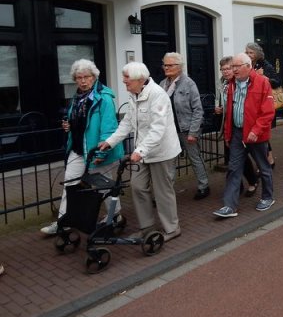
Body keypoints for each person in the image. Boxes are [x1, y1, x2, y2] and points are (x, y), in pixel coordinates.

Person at [98, 62, 182, 242]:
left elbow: (157, 129)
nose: (123, 81)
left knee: (162, 192)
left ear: (139, 79)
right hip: (143, 152)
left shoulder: (157, 95)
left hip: (161, 152)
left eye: (127, 78)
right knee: (137, 187)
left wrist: (140, 151)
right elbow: (127, 122)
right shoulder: (133, 95)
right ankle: (147, 228)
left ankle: (172, 228)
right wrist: (110, 142)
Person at [41, 59, 124, 235]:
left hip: (97, 151)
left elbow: (109, 128)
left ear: (94, 77)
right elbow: (79, 123)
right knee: (70, 184)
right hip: (78, 150)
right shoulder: (76, 98)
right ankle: (64, 221)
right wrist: (69, 126)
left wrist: (103, 152)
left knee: (105, 186)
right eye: (79, 78)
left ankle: (115, 215)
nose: (83, 81)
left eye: (87, 77)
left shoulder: (104, 98)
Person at [213, 53, 275, 218]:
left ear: (248, 66)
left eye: (236, 66)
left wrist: (256, 130)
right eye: (232, 66)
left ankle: (268, 197)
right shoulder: (231, 84)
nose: (233, 70)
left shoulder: (262, 82)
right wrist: (228, 134)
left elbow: (268, 112)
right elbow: (229, 112)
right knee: (233, 169)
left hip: (256, 134)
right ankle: (229, 206)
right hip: (237, 133)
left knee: (263, 166)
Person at [159, 52, 210, 201]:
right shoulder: (163, 84)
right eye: (165, 65)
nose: (166, 68)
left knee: (194, 158)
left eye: (170, 65)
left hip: (187, 129)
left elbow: (198, 109)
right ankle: (167, 193)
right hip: (170, 130)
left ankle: (204, 185)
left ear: (179, 67)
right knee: (170, 161)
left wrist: (193, 132)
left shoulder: (189, 84)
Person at [215, 57, 260, 195]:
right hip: (227, 125)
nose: (226, 72)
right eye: (222, 69)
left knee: (242, 157)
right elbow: (219, 99)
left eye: (228, 68)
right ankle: (237, 186)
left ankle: (252, 181)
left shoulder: (240, 82)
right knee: (232, 158)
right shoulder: (222, 83)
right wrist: (218, 108)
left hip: (242, 125)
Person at [245, 42, 280, 167]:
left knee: (262, 133)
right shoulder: (247, 65)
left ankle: (266, 162)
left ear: (257, 54)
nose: (248, 55)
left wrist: (263, 76)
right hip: (251, 104)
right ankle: (268, 160)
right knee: (260, 135)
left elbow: (277, 82)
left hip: (264, 104)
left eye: (251, 52)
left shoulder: (265, 65)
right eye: (247, 52)